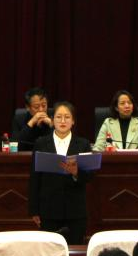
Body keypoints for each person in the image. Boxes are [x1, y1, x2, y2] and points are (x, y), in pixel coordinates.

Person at [28, 101, 95, 244]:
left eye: (67, 117)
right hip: (48, 210)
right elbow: (34, 178)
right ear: (52, 120)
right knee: (49, 251)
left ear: (73, 121)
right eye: (58, 117)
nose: (63, 121)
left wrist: (76, 172)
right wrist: (34, 210)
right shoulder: (41, 143)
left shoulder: (83, 144)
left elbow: (89, 177)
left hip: (75, 211)